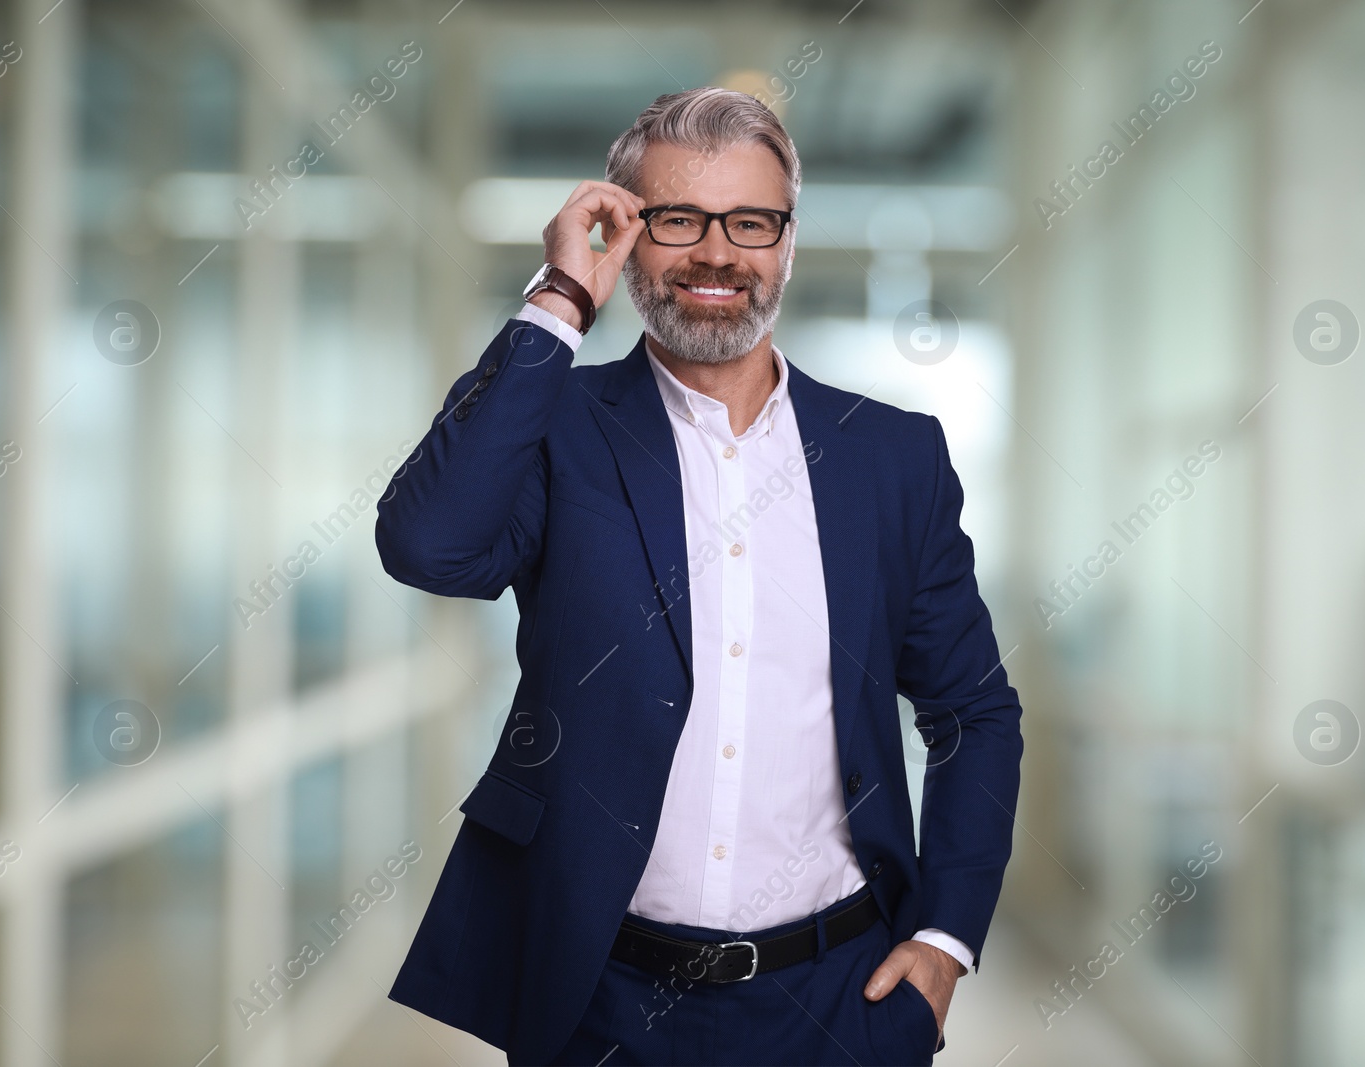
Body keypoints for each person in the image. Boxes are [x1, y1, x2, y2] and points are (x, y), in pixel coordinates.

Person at [378, 86, 1023, 1066]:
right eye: (677, 219)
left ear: (787, 240)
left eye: (750, 221)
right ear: (627, 234)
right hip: (599, 1000)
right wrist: (559, 298)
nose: (717, 252)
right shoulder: (558, 431)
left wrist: (943, 942)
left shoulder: (891, 458)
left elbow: (974, 710)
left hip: (840, 998)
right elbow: (429, 544)